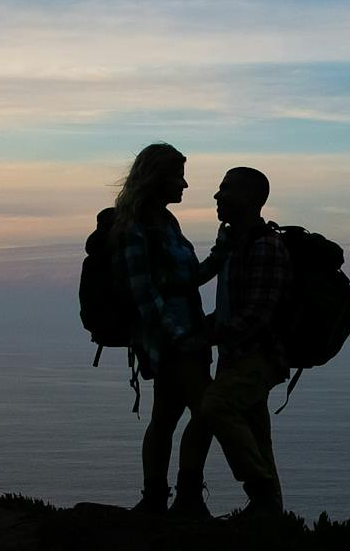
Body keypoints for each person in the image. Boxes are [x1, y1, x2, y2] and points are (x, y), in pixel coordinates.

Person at [110, 142, 220, 517]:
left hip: (189, 335)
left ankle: (157, 498)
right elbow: (144, 296)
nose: (185, 185)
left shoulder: (168, 223)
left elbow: (186, 280)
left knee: (167, 418)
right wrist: (180, 338)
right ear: (157, 179)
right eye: (178, 176)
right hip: (173, 341)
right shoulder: (135, 227)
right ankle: (185, 497)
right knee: (208, 411)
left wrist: (219, 255)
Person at [200, 167, 292, 517]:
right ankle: (272, 515)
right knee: (257, 436)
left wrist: (206, 336)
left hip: (257, 357)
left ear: (251, 198)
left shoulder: (265, 246)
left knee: (217, 406)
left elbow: (256, 315)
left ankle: (262, 494)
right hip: (237, 355)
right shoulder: (234, 245)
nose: (217, 197)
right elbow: (231, 309)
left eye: (225, 190)